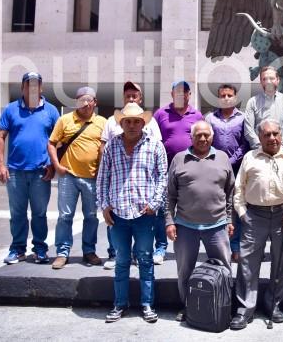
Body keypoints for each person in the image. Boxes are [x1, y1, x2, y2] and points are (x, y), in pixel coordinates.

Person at [96, 103, 167, 323]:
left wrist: (155, 204)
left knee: (145, 259)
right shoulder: (111, 146)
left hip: (144, 215)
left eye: (137, 121)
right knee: (121, 260)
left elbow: (163, 177)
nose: (133, 125)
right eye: (128, 121)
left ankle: (147, 304)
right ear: (121, 123)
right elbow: (102, 178)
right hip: (118, 214)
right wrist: (104, 205)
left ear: (143, 123)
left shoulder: (154, 145)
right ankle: (120, 304)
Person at [231, 120, 283, 329]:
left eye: (275, 133)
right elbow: (238, 189)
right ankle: (245, 310)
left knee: (280, 264)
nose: (272, 138)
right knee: (247, 264)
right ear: (259, 138)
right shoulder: (249, 158)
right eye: (267, 135)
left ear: (281, 134)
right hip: (254, 215)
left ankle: (274, 305)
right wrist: (243, 214)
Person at [165, 120, 235, 323]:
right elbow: (170, 196)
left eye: (206, 135)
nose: (203, 139)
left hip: (217, 225)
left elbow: (230, 192)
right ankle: (188, 307)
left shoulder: (222, 158)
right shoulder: (179, 159)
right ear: (191, 137)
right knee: (184, 272)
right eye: (198, 135)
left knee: (224, 270)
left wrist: (229, 219)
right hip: (186, 226)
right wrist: (169, 222)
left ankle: (224, 308)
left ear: (212, 137)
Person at [0, 72, 59, 264]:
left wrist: (53, 165)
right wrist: (0, 165)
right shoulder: (11, 109)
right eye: (27, 85)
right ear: (22, 87)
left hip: (41, 172)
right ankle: (17, 250)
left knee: (39, 213)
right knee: (17, 214)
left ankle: (40, 249)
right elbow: (0, 137)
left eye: (35, 85)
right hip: (15, 172)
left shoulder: (51, 111)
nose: (31, 88)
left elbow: (58, 141)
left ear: (41, 87)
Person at [100, 80, 161, 270]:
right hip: (118, 185)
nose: (131, 97)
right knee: (115, 220)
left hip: (143, 188)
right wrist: (104, 200)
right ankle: (115, 254)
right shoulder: (111, 122)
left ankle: (143, 256)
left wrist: (155, 199)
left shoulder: (152, 125)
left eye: (134, 95)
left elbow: (158, 158)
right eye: (128, 95)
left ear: (140, 98)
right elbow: (104, 148)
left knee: (144, 241)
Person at [47, 86, 107, 269]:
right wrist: (57, 165)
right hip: (68, 177)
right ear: (76, 102)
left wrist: (102, 171)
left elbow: (106, 147)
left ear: (95, 102)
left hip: (92, 177)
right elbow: (51, 143)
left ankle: (89, 251)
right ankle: (62, 253)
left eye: (89, 100)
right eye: (82, 100)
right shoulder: (65, 120)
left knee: (91, 216)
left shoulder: (103, 122)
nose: (86, 103)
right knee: (65, 216)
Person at [153, 80, 204, 264]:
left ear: (189, 95)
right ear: (172, 94)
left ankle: (186, 246)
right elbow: (153, 140)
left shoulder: (197, 115)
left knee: (186, 207)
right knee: (163, 209)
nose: (181, 95)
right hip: (164, 169)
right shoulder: (160, 114)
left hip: (189, 168)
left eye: (185, 92)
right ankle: (160, 248)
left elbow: (203, 140)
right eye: (178, 92)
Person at [205, 84, 249, 262]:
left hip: (237, 168)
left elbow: (245, 143)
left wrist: (231, 161)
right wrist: (220, 160)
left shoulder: (243, 118)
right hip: (215, 168)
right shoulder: (210, 118)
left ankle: (236, 246)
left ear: (235, 97)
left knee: (236, 207)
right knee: (218, 206)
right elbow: (206, 141)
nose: (226, 98)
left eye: (229, 95)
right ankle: (220, 247)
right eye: (222, 95)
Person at [243, 66, 283, 150]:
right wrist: (261, 149)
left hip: (282, 152)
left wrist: (280, 148)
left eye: (272, 78)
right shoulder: (252, 102)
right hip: (258, 153)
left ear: (278, 80)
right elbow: (248, 130)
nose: (268, 82)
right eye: (264, 79)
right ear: (261, 82)